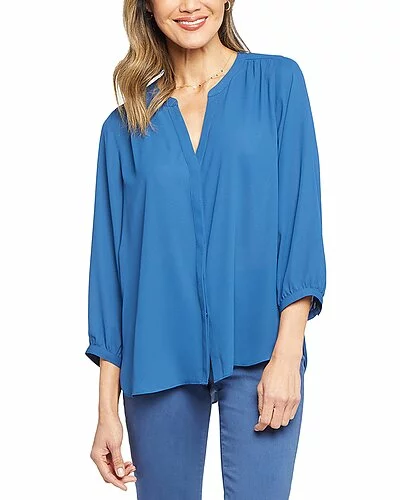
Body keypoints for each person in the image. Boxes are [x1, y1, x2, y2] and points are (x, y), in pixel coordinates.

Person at [85, 1, 327, 498]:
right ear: (147, 6)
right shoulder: (124, 128)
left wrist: (287, 355)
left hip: (261, 347)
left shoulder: (277, 85)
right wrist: (106, 410)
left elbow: (300, 224)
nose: (189, 4)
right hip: (157, 355)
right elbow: (111, 273)